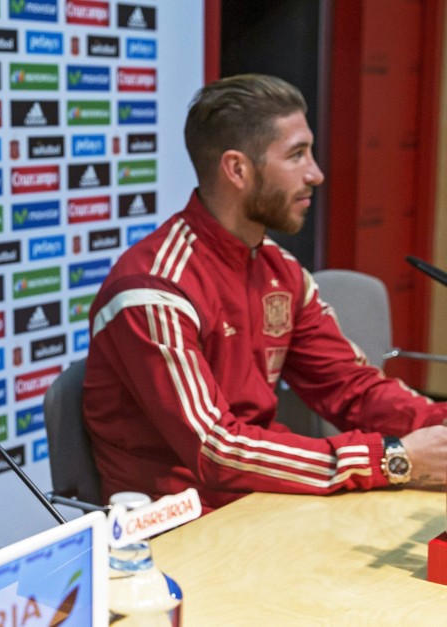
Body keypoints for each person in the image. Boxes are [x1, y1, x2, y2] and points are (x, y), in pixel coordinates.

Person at [83, 73, 447, 512]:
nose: (316, 174)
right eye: (297, 155)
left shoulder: (281, 270)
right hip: (182, 525)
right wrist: (391, 459)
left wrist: (440, 425)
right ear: (237, 169)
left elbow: (351, 388)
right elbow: (218, 450)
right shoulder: (153, 289)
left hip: (265, 502)